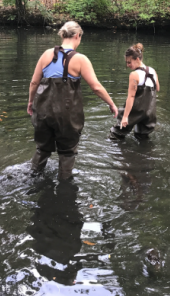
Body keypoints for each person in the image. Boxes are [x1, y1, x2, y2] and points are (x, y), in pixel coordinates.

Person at [27, 21, 118, 179]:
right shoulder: (80, 59)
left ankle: (33, 177)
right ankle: (64, 184)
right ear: (77, 36)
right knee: (67, 152)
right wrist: (111, 104)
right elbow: (96, 87)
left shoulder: (46, 54)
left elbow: (34, 82)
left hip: (43, 112)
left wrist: (30, 102)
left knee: (42, 148)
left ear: (63, 35)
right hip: (66, 115)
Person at [109, 43, 159, 140]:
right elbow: (157, 88)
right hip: (149, 112)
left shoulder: (134, 74)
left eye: (129, 62)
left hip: (136, 111)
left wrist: (125, 117)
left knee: (115, 135)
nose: (127, 65)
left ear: (137, 59)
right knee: (142, 137)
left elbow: (131, 97)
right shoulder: (152, 70)